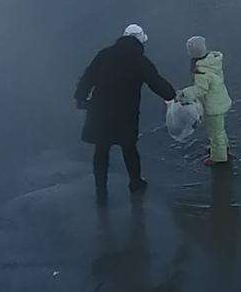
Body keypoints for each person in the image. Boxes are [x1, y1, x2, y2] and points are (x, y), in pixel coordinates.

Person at [75, 24, 175, 199]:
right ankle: (135, 182)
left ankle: (101, 190)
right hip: (125, 113)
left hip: (100, 110)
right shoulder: (139, 60)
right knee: (129, 149)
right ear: (139, 40)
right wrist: (172, 95)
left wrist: (80, 98)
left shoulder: (104, 54)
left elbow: (88, 76)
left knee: (101, 150)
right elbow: (155, 82)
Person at [179, 35, 232, 166]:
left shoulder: (202, 71)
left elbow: (200, 90)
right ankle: (222, 148)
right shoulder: (212, 62)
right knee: (219, 129)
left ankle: (219, 157)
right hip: (220, 100)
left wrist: (184, 93)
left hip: (213, 106)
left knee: (215, 132)